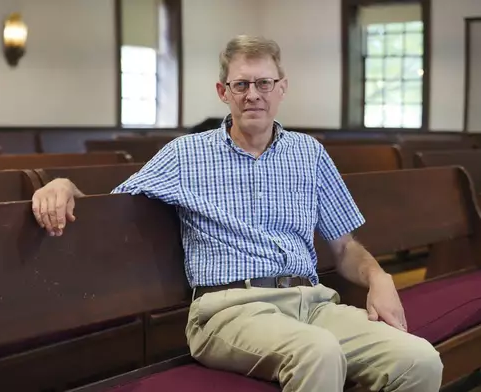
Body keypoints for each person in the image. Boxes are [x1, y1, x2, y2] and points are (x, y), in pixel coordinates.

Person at [31, 35, 443, 392]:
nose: (253, 94)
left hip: (313, 304)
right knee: (317, 353)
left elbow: (345, 245)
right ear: (222, 91)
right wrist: (64, 186)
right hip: (229, 311)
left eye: (264, 82)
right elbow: (110, 207)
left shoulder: (310, 154)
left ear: (282, 87)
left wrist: (379, 277)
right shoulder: (185, 155)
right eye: (241, 84)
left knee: (418, 360)